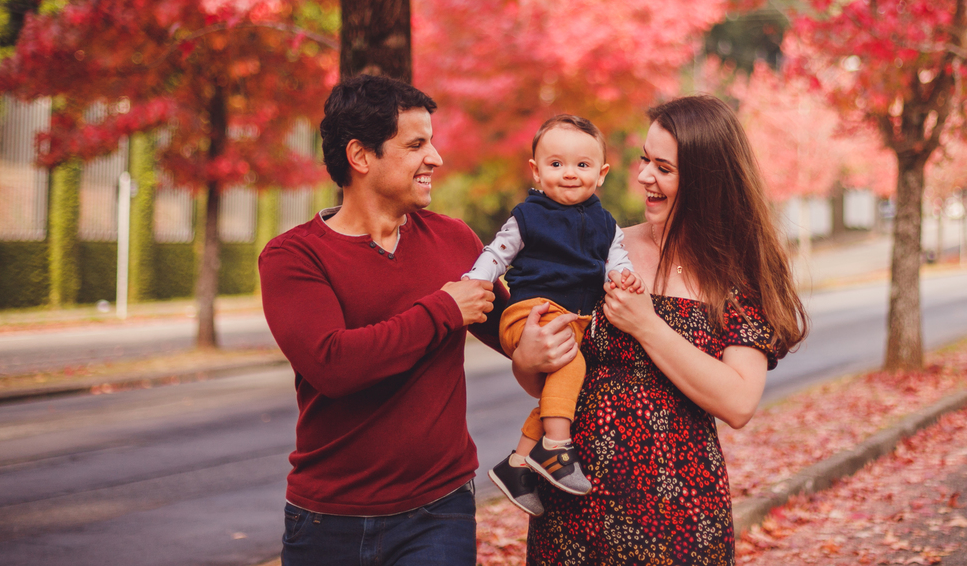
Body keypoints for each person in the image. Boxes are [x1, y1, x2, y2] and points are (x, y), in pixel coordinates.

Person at [258, 75, 576, 566]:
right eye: (416, 144)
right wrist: (444, 310)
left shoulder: (455, 241)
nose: (436, 157)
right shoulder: (293, 258)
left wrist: (537, 340)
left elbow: (514, 333)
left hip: (439, 511)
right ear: (361, 156)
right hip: (328, 520)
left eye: (432, 141)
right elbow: (333, 364)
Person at [522, 94, 810, 565]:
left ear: (705, 179)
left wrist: (647, 325)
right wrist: (527, 359)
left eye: (664, 167)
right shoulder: (604, 248)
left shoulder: (737, 274)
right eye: (643, 160)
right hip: (574, 502)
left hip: (678, 512)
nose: (644, 177)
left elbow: (738, 403)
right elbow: (548, 376)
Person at [465, 115, 644, 516]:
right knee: (570, 365)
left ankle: (517, 465)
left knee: (563, 391)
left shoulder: (606, 223)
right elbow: (498, 252)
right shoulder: (529, 215)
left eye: (582, 166)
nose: (568, 174)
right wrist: (477, 280)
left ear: (601, 174)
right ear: (536, 171)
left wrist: (623, 276)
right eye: (556, 164)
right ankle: (557, 449)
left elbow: (617, 259)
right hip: (532, 312)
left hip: (574, 320)